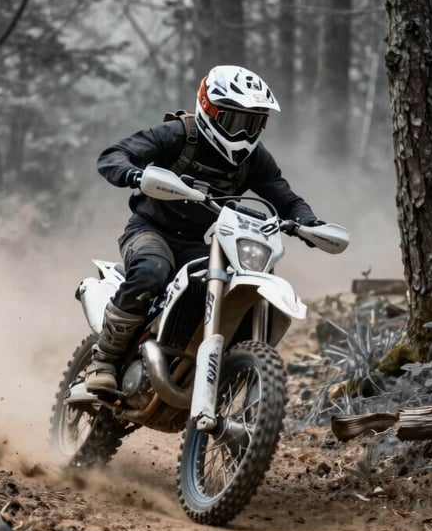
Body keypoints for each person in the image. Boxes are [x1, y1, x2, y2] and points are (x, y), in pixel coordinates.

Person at [85, 64, 323, 395]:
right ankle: (105, 359)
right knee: (151, 271)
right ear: (208, 109)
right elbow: (114, 155)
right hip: (153, 231)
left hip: (207, 244)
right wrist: (134, 175)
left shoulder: (254, 160)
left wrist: (308, 223)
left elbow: (284, 196)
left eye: (253, 123)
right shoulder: (178, 135)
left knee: (233, 286)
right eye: (234, 121)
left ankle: (215, 372)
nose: (242, 134)